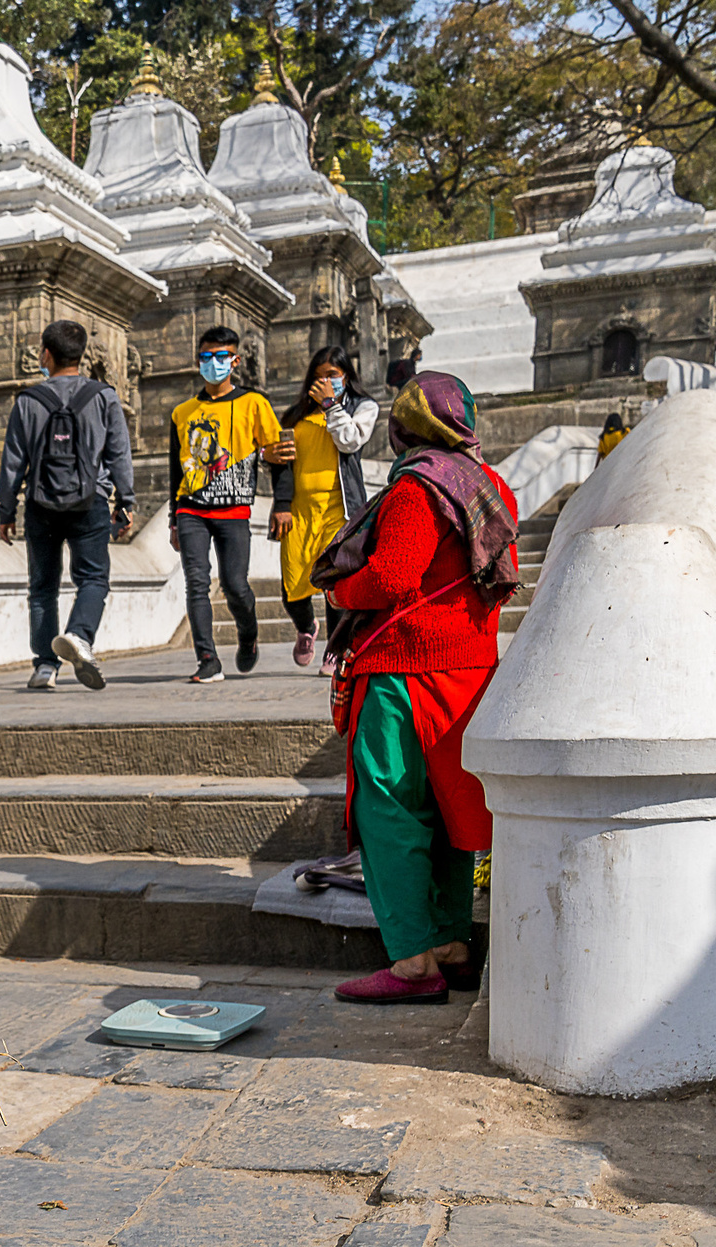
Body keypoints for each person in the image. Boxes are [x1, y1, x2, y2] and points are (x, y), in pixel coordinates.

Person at [309, 370, 521, 1005]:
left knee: (391, 812)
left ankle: (411, 965)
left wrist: (340, 590)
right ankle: (453, 946)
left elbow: (394, 577)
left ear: (405, 426)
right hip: (470, 671)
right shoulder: (492, 487)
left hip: (405, 670)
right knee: (451, 813)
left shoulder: (416, 489)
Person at [0, 319, 134, 690]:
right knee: (93, 578)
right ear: (82, 354)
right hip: (89, 502)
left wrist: (5, 511)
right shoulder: (103, 396)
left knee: (42, 587)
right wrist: (126, 499)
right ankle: (79, 634)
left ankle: (44, 667)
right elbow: (119, 452)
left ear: (46, 354)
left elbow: (13, 461)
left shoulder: (28, 401)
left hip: (40, 504)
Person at [166, 325, 283, 684]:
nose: (212, 364)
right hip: (191, 509)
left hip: (234, 510)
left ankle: (248, 633)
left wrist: (284, 503)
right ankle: (207, 659)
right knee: (196, 583)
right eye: (205, 357)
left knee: (235, 585)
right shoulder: (182, 413)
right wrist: (173, 518)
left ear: (234, 360)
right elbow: (176, 468)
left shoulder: (255, 404)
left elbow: (279, 456)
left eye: (220, 357)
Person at [269, 345, 379, 670]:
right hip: (299, 511)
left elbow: (350, 441)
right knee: (292, 584)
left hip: (339, 509)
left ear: (347, 376)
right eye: (319, 377)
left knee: (332, 581)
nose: (325, 382)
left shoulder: (363, 407)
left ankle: (334, 648)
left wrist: (331, 405)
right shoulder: (295, 416)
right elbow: (281, 463)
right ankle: (305, 627)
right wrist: (279, 498)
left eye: (332, 375)